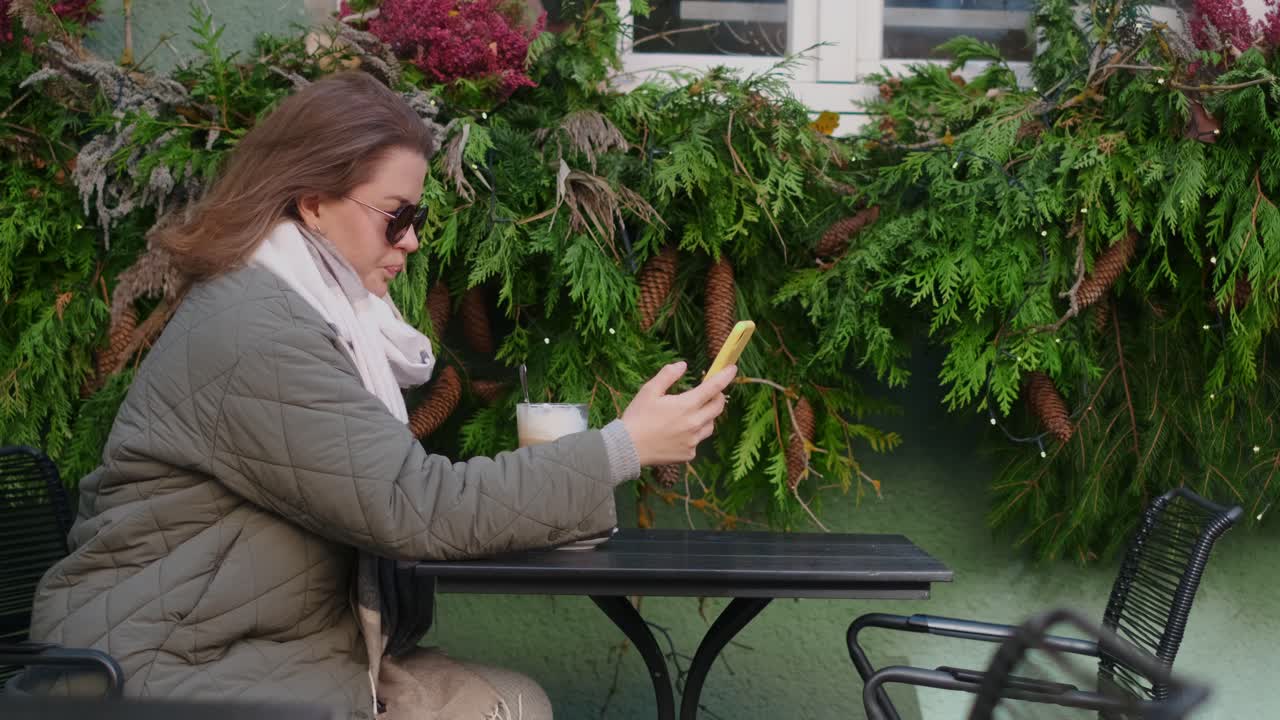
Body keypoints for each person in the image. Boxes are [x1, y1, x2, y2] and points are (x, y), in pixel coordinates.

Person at [23, 71, 737, 720]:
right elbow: (411, 506)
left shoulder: (309, 314)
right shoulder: (256, 331)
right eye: (396, 215)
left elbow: (396, 501)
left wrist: (598, 465)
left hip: (255, 648)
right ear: (313, 203)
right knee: (506, 711)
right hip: (165, 668)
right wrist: (621, 449)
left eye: (418, 219)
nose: (413, 240)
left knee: (513, 703)